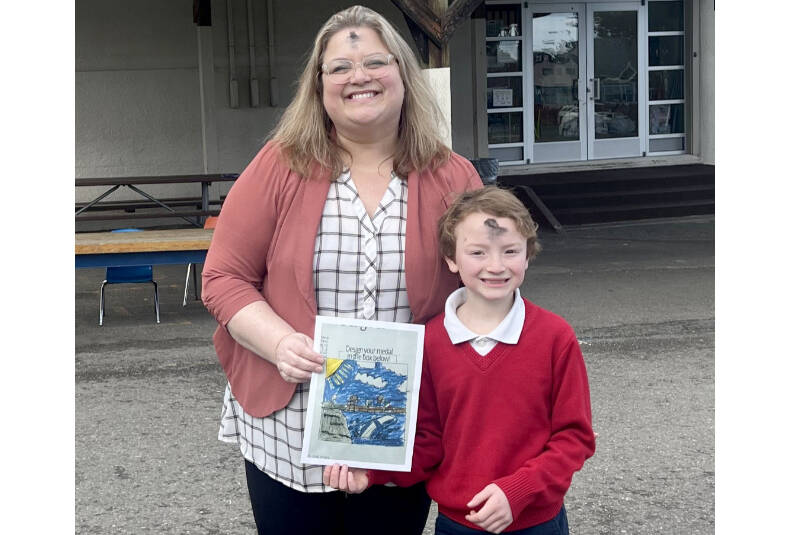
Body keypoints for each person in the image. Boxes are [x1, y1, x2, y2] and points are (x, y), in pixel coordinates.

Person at [200, 5, 482, 535]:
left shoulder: (452, 176)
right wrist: (279, 343)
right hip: (289, 423)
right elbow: (223, 278)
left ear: (403, 74)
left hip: (400, 423)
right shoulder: (279, 166)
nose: (359, 77)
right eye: (340, 67)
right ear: (319, 85)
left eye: (375, 62)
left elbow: (486, 288)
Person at [324, 187, 596, 534]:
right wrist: (372, 471)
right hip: (458, 523)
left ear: (528, 254)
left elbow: (575, 437)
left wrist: (519, 491)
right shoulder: (430, 342)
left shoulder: (555, 337)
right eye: (478, 252)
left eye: (510, 251)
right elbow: (427, 441)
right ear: (451, 259)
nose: (495, 266)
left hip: (536, 521)